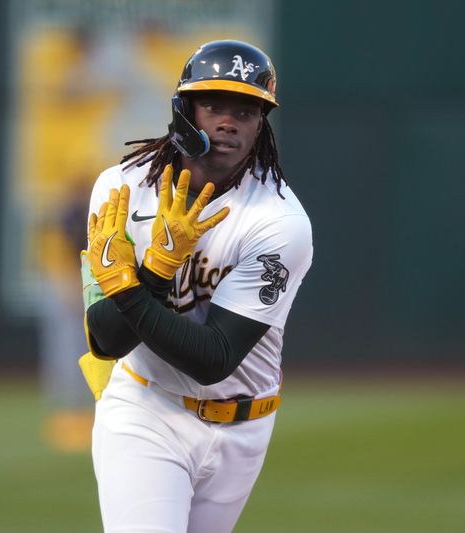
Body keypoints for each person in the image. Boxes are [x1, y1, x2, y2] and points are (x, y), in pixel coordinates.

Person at [80, 39, 313, 533]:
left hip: (244, 426)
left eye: (247, 110)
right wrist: (155, 272)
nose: (229, 121)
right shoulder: (122, 189)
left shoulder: (278, 221)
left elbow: (214, 359)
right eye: (213, 105)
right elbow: (106, 342)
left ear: (261, 124)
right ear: (184, 109)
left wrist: (133, 286)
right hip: (146, 408)